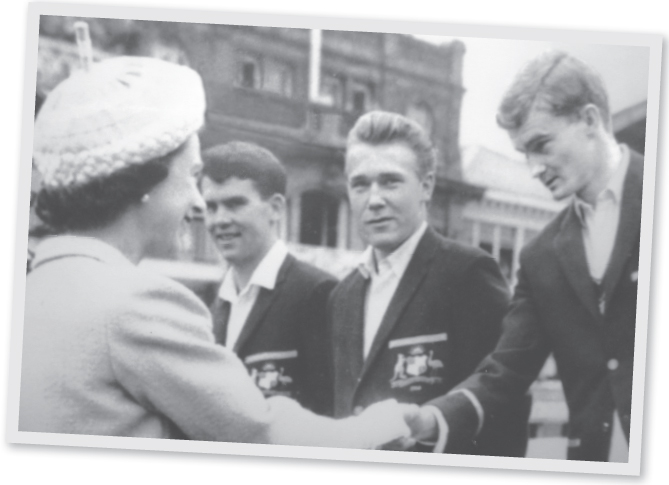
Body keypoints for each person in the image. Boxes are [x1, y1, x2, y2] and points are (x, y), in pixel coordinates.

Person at [19, 54, 412, 449]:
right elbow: (260, 434)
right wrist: (381, 423)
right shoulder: (138, 303)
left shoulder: (31, 290)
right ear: (143, 182)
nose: (199, 204)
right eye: (192, 178)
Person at [435, 51, 642, 462]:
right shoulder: (540, 257)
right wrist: (435, 419)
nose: (533, 168)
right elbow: (506, 370)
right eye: (522, 153)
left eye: (541, 145)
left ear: (589, 120)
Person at [328, 110, 530, 455]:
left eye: (390, 181)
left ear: (426, 187)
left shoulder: (467, 273)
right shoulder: (341, 295)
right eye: (360, 184)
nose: (374, 199)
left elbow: (504, 396)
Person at [200, 142, 337, 414]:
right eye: (211, 207)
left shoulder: (319, 293)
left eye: (235, 204)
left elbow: (331, 414)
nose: (220, 220)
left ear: (275, 208)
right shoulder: (215, 306)